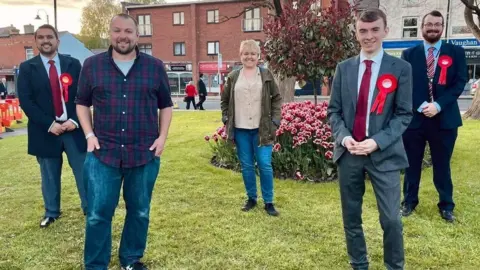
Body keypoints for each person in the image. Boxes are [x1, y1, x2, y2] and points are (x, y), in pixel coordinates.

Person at [75, 14, 173, 270]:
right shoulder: (92, 65)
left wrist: (162, 138)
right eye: (117, 30)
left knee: (139, 212)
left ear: (137, 35)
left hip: (143, 154)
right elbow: (82, 103)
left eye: (128, 31)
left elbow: (166, 106)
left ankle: (130, 260)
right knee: (97, 215)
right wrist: (89, 134)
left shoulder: (155, 67)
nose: (123, 36)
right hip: (102, 154)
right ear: (110, 33)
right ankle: (96, 264)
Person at [327, 9, 413, 269]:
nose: (369, 36)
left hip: (384, 154)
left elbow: (403, 114)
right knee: (351, 217)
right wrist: (343, 138)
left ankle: (394, 266)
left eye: (375, 29)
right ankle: (359, 264)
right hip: (350, 154)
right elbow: (334, 111)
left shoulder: (401, 69)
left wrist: (377, 141)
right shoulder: (344, 69)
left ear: (386, 30)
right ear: (356, 33)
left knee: (391, 220)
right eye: (363, 30)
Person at [16, 24, 87, 228]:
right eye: (41, 37)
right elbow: (27, 102)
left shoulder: (73, 64)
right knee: (48, 174)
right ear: (36, 41)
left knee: (83, 171)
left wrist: (73, 120)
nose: (45, 41)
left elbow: (82, 95)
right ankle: (52, 212)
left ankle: (89, 209)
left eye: (50, 37)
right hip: (45, 131)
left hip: (74, 130)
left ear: (58, 40)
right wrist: (50, 124)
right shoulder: (27, 68)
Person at [400, 10, 467, 222]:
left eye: (437, 25)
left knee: (442, 165)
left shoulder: (456, 52)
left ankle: (446, 206)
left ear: (443, 27)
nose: (433, 28)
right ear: (422, 27)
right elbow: (405, 84)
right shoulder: (409, 54)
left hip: (444, 119)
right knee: (411, 164)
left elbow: (459, 82)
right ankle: (409, 202)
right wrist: (420, 106)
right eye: (429, 24)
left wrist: (438, 105)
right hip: (416, 120)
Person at [220, 39, 282, 216]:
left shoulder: (266, 75)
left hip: (262, 129)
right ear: (240, 56)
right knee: (246, 166)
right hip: (240, 129)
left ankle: (269, 202)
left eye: (253, 54)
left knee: (264, 164)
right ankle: (251, 198)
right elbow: (224, 101)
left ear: (258, 56)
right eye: (246, 54)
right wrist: (226, 118)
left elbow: (276, 98)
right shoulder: (233, 77)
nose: (249, 57)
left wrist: (275, 120)